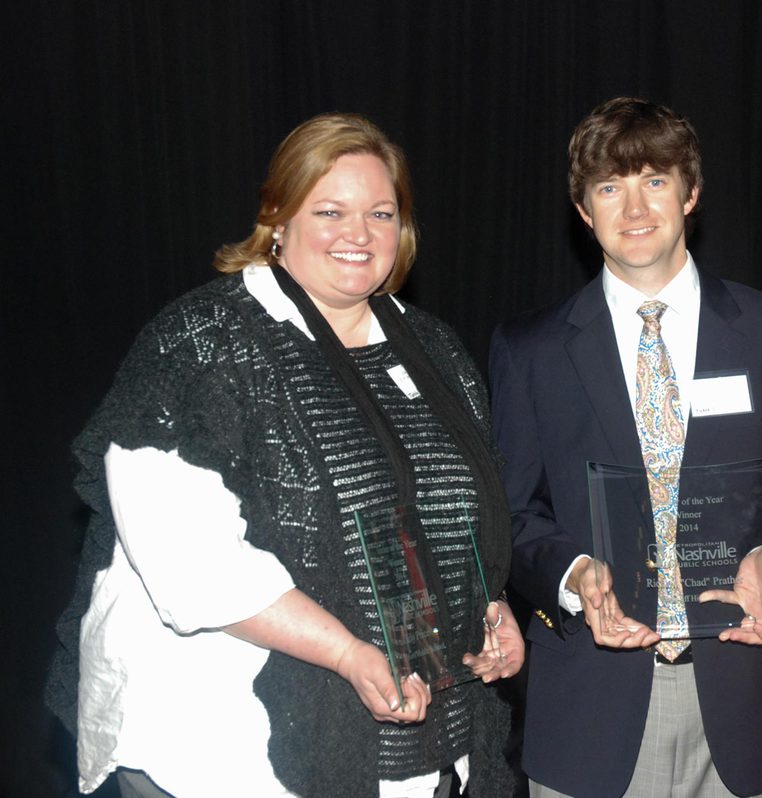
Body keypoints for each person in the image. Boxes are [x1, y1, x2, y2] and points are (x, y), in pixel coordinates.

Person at [44, 113, 524, 798]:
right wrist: (348, 652)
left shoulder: (435, 351)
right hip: (223, 748)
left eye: (381, 213)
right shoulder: (201, 342)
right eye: (330, 210)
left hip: (415, 742)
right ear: (277, 219)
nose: (358, 234)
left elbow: (455, 514)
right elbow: (189, 566)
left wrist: (487, 606)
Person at [489, 97, 762, 798]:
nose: (635, 205)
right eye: (610, 186)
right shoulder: (530, 350)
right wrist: (575, 574)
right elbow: (513, 513)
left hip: (744, 698)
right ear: (584, 211)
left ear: (692, 192)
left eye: (655, 179)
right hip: (593, 704)